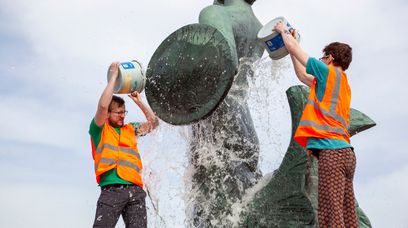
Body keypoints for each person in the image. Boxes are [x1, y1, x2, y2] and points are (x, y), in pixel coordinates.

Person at [274, 22, 357, 227]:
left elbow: (295, 48)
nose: (321, 61)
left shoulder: (327, 72)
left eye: (323, 58)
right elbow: (302, 75)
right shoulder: (343, 84)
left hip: (332, 153)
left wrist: (283, 31)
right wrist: (291, 49)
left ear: (329, 58)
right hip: (347, 154)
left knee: (331, 210)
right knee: (347, 212)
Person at [89, 62, 159, 228]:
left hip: (135, 191)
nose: (122, 116)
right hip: (111, 190)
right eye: (119, 113)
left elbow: (153, 123)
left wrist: (139, 101)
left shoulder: (131, 129)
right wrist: (113, 77)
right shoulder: (99, 129)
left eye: (124, 112)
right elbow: (102, 105)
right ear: (108, 115)